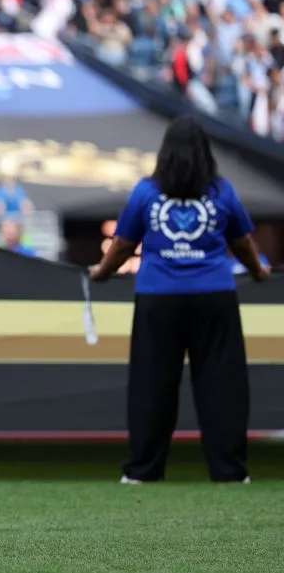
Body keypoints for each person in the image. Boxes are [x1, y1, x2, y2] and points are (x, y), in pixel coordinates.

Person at [89, 116, 270, 484]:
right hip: (214, 298)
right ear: (205, 152)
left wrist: (102, 272)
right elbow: (242, 243)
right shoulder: (222, 191)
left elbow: (124, 243)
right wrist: (258, 272)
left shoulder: (145, 192)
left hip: (158, 299)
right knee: (222, 384)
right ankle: (230, 472)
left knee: (151, 383)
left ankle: (142, 471)